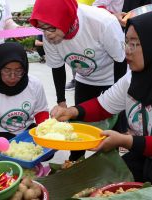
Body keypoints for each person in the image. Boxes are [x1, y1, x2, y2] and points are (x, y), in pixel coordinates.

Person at [50, 12, 152, 200]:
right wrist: (71, 111)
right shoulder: (134, 76)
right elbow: (103, 106)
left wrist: (124, 141)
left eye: (135, 44)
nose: (127, 50)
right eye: (126, 42)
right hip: (143, 154)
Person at [30, 0, 126, 161]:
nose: (47, 34)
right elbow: (57, 67)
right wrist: (61, 101)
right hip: (85, 78)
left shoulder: (102, 22)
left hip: (112, 77)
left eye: (51, 28)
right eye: (42, 28)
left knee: (111, 131)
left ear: (66, 19)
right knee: (78, 126)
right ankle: (75, 161)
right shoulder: (50, 31)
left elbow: (121, 60)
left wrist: (118, 96)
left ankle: (111, 163)